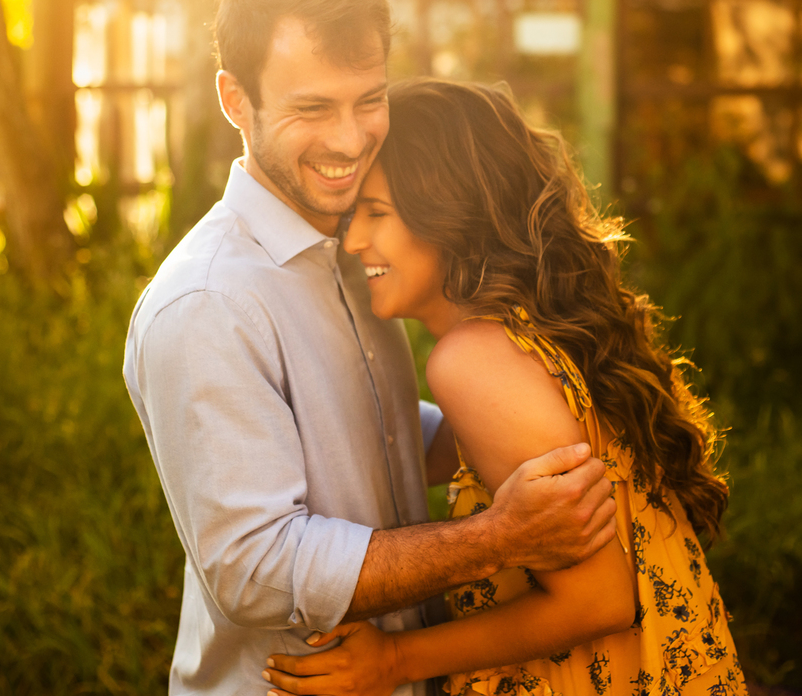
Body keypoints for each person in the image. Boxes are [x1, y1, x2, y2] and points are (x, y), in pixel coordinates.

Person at [122, 0, 619, 696]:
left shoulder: (351, 248)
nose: (350, 139)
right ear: (235, 99)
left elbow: (366, 430)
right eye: (311, 108)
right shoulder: (208, 305)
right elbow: (255, 569)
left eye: (367, 99)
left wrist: (505, 416)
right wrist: (496, 538)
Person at [262, 79, 745, 696]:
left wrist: (392, 660)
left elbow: (597, 601)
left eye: (377, 213)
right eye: (355, 214)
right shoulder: (531, 332)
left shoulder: (472, 361)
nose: (353, 240)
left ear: (449, 212)